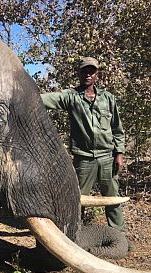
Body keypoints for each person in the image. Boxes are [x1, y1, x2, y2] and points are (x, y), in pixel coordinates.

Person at [41, 57, 132, 249]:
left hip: (107, 157)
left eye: (92, 71)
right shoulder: (71, 97)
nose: (88, 74)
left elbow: (117, 129)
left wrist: (120, 153)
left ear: (97, 74)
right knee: (78, 199)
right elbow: (45, 100)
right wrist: (23, 95)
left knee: (112, 198)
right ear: (79, 74)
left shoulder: (108, 98)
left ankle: (120, 237)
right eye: (85, 71)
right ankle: (73, 235)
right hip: (84, 160)